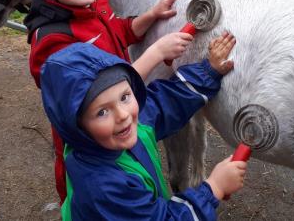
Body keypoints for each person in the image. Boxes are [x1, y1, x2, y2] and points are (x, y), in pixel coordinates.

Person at [24, 0, 193, 201]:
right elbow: (99, 93)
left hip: (114, 122)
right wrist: (156, 52)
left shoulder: (95, 5)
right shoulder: (54, 40)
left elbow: (120, 32)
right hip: (91, 139)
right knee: (100, 196)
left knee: (132, 181)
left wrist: (153, 13)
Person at [41, 33, 246, 220]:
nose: (123, 115)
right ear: (77, 125)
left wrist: (208, 72)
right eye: (102, 112)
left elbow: (166, 101)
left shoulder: (127, 126)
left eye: (124, 97)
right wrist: (214, 188)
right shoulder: (104, 186)